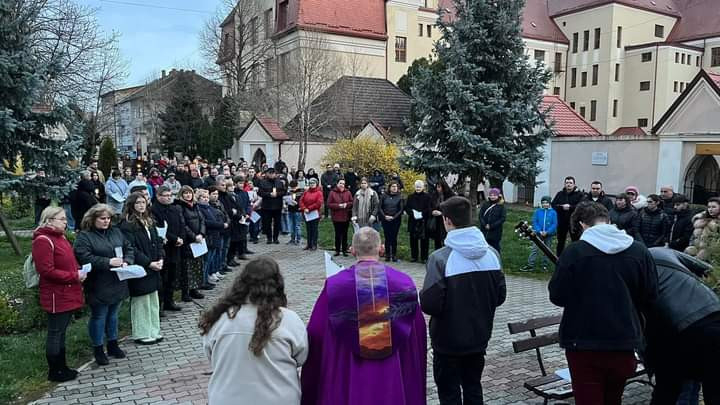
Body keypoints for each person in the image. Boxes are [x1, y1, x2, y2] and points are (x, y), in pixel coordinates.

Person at [548, 201, 658, 405]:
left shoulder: (574, 252)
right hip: (624, 341)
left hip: (583, 342)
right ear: (608, 220)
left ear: (581, 224)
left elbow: (557, 296)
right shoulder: (639, 251)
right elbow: (651, 295)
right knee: (613, 399)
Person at [301, 228, 427, 405]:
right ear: (381, 249)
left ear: (352, 250)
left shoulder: (335, 286)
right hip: (391, 375)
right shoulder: (403, 283)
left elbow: (316, 332)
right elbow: (417, 333)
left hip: (350, 375)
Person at [420, 196, 506, 405]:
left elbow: (430, 304)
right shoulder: (492, 254)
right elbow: (500, 296)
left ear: (447, 220)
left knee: (449, 393)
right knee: (473, 387)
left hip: (447, 340)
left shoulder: (440, 258)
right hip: (479, 336)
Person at [201, 257, 308, 405]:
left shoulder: (219, 318)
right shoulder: (289, 319)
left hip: (227, 398)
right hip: (278, 398)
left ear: (241, 283)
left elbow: (211, 355)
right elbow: (301, 357)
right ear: (277, 285)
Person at [645, 248, 720, 405]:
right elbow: (707, 269)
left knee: (668, 389)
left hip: (679, 329)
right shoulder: (660, 252)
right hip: (713, 312)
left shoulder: (627, 267)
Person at [74, 204, 135, 365]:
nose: (106, 221)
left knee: (113, 314)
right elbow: (84, 256)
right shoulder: (85, 236)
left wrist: (127, 261)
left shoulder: (116, 231)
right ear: (92, 219)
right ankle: (98, 348)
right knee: (99, 315)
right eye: (102, 218)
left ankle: (113, 344)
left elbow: (128, 247)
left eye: (108, 218)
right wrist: (107, 262)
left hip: (117, 279)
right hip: (98, 282)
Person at [33, 207, 85, 382]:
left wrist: (79, 270)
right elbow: (46, 271)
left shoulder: (61, 237)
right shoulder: (43, 240)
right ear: (49, 221)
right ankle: (55, 370)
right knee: (55, 332)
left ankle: (63, 367)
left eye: (65, 218)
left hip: (68, 290)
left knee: (62, 332)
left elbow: (68, 261)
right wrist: (74, 276)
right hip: (56, 294)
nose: (65, 222)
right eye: (61, 219)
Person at [119, 193, 164, 345]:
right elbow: (131, 248)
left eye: (143, 202)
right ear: (131, 205)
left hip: (154, 265)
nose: (141, 205)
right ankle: (142, 333)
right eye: (138, 202)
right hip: (141, 268)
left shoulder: (149, 220)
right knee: (141, 301)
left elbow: (157, 240)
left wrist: (160, 258)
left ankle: (154, 330)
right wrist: (149, 263)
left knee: (153, 300)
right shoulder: (127, 224)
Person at [151, 185, 186, 312]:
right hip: (164, 247)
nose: (169, 198)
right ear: (158, 196)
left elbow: (181, 223)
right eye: (166, 196)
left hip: (176, 247)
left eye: (170, 195)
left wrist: (181, 237)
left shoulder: (175, 209)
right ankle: (159, 305)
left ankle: (169, 301)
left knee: (172, 276)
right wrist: (174, 238)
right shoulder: (154, 210)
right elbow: (160, 229)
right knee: (162, 277)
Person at [176, 186, 206, 300]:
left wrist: (201, 234)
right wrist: (193, 237)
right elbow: (183, 224)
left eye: (190, 193)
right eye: (185, 193)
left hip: (199, 239)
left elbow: (202, 220)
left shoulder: (195, 206)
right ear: (181, 194)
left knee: (197, 266)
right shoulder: (180, 207)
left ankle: (195, 289)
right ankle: (185, 292)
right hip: (188, 241)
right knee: (187, 268)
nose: (188, 195)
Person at [521, 196, 557, 272]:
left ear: (549, 203)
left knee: (547, 250)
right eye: (543, 203)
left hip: (548, 234)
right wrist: (539, 231)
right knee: (534, 249)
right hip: (538, 234)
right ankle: (530, 265)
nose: (545, 204)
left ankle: (545, 265)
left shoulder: (553, 212)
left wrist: (547, 232)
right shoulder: (538, 211)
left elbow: (554, 224)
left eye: (546, 203)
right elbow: (535, 222)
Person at [197, 188, 224, 288]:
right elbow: (206, 222)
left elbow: (219, 216)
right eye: (203, 197)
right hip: (208, 237)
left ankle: (206, 279)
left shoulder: (210, 208)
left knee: (209, 260)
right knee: (206, 261)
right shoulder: (199, 209)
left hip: (214, 236)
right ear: (198, 198)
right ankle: (203, 281)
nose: (206, 199)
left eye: (207, 197)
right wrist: (219, 224)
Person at [551, 176, 584, 255]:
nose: (568, 184)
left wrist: (570, 207)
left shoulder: (579, 194)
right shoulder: (560, 194)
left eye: (570, 183)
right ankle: (559, 258)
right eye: (567, 183)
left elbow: (581, 206)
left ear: (574, 184)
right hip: (562, 222)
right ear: (564, 184)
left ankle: (576, 257)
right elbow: (553, 205)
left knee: (575, 241)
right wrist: (561, 207)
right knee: (560, 241)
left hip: (574, 222)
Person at [405, 180, 432, 263]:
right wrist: (413, 213)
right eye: (417, 187)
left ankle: (424, 258)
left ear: (423, 187)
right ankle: (414, 256)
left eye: (420, 187)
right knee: (413, 240)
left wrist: (422, 214)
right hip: (413, 220)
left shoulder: (427, 197)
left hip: (424, 221)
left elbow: (429, 208)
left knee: (424, 240)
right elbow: (407, 207)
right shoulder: (410, 197)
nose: (418, 188)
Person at [258, 168, 286, 244]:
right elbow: (260, 193)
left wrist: (277, 194)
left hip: (277, 206)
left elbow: (284, 192)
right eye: (270, 173)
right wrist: (269, 194)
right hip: (267, 206)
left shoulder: (279, 182)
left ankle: (276, 238)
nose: (271, 175)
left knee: (277, 223)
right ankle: (269, 238)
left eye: (273, 173)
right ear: (267, 174)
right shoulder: (263, 182)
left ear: (275, 174)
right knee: (267, 223)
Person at [379, 182, 404, 262]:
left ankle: (394, 255)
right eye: (393, 186)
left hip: (395, 220)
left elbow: (401, 209)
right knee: (387, 237)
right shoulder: (384, 196)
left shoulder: (400, 197)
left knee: (394, 237)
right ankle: (387, 255)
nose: (394, 188)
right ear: (389, 187)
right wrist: (384, 216)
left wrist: (393, 217)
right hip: (385, 219)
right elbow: (380, 207)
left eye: (396, 186)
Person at [328, 179, 354, 256]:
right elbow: (329, 204)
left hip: (345, 216)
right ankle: (337, 250)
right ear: (337, 184)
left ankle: (344, 250)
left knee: (345, 234)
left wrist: (347, 204)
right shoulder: (332, 192)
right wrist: (338, 206)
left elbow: (352, 202)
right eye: (340, 183)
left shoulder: (348, 192)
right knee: (337, 234)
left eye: (343, 184)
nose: (342, 185)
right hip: (336, 217)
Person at [478, 188, 507, 254]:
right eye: (491, 195)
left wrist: (491, 226)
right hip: (484, 230)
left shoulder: (501, 206)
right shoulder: (485, 204)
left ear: (498, 196)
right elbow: (480, 215)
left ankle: (496, 257)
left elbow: (502, 218)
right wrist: (484, 224)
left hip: (495, 231)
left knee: (495, 247)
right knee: (484, 246)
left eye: (494, 195)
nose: (492, 197)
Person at [429, 180, 455, 250]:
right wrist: (432, 211)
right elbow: (430, 206)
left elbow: (453, 209)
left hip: (447, 221)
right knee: (437, 240)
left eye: (439, 187)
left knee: (446, 240)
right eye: (437, 187)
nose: (437, 189)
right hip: (437, 222)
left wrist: (441, 213)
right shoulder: (435, 195)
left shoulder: (450, 196)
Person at [299, 178, 323, 251]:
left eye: (313, 183)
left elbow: (318, 203)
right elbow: (301, 201)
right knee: (308, 229)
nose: (312, 185)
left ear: (316, 184)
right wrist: (304, 208)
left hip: (314, 213)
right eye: (310, 183)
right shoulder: (306, 192)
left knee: (314, 229)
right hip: (307, 213)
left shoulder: (319, 192)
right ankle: (309, 244)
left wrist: (309, 208)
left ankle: (314, 244)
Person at [286, 180, 303, 245]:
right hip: (290, 210)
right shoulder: (289, 192)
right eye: (292, 187)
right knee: (291, 225)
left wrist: (297, 203)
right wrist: (286, 202)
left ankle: (298, 240)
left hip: (297, 210)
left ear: (297, 185)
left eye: (294, 187)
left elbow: (302, 200)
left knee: (297, 226)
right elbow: (286, 199)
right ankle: (292, 239)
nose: (293, 189)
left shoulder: (301, 191)